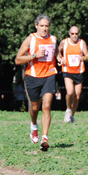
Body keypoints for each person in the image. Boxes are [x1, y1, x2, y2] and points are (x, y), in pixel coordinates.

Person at [15, 14, 58, 151]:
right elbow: (18, 59)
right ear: (36, 26)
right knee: (34, 108)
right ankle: (34, 126)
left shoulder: (53, 39)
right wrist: (34, 55)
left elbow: (56, 53)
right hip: (33, 77)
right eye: (42, 26)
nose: (44, 29)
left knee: (46, 106)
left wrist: (60, 58)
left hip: (50, 75)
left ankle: (44, 138)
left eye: (47, 26)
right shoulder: (31, 39)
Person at [57, 26, 88, 123]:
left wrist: (83, 58)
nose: (74, 36)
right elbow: (57, 52)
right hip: (67, 70)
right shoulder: (64, 42)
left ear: (78, 34)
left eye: (76, 34)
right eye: (72, 34)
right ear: (69, 34)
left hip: (79, 71)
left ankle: (71, 115)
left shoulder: (82, 43)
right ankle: (68, 109)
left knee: (77, 96)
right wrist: (60, 59)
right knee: (70, 92)